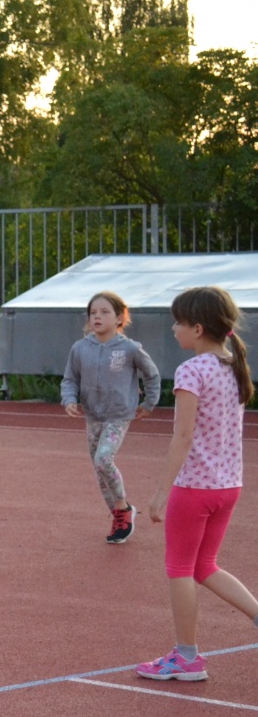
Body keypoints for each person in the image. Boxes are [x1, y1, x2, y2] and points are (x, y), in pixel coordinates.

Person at [140, 287, 258, 682]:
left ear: (198, 328)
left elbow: (183, 436)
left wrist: (161, 493)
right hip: (229, 486)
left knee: (180, 568)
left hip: (195, 488)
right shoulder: (234, 365)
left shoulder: (192, 371)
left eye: (179, 322)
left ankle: (187, 657)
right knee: (205, 566)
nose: (174, 329)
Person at [61, 291, 161, 544]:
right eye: (93, 313)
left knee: (104, 459)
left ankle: (123, 508)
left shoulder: (129, 349)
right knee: (99, 469)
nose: (97, 317)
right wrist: (69, 399)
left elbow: (152, 375)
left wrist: (149, 402)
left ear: (119, 318)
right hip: (93, 416)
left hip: (118, 415)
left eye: (104, 312)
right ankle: (120, 514)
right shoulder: (80, 348)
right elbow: (70, 379)